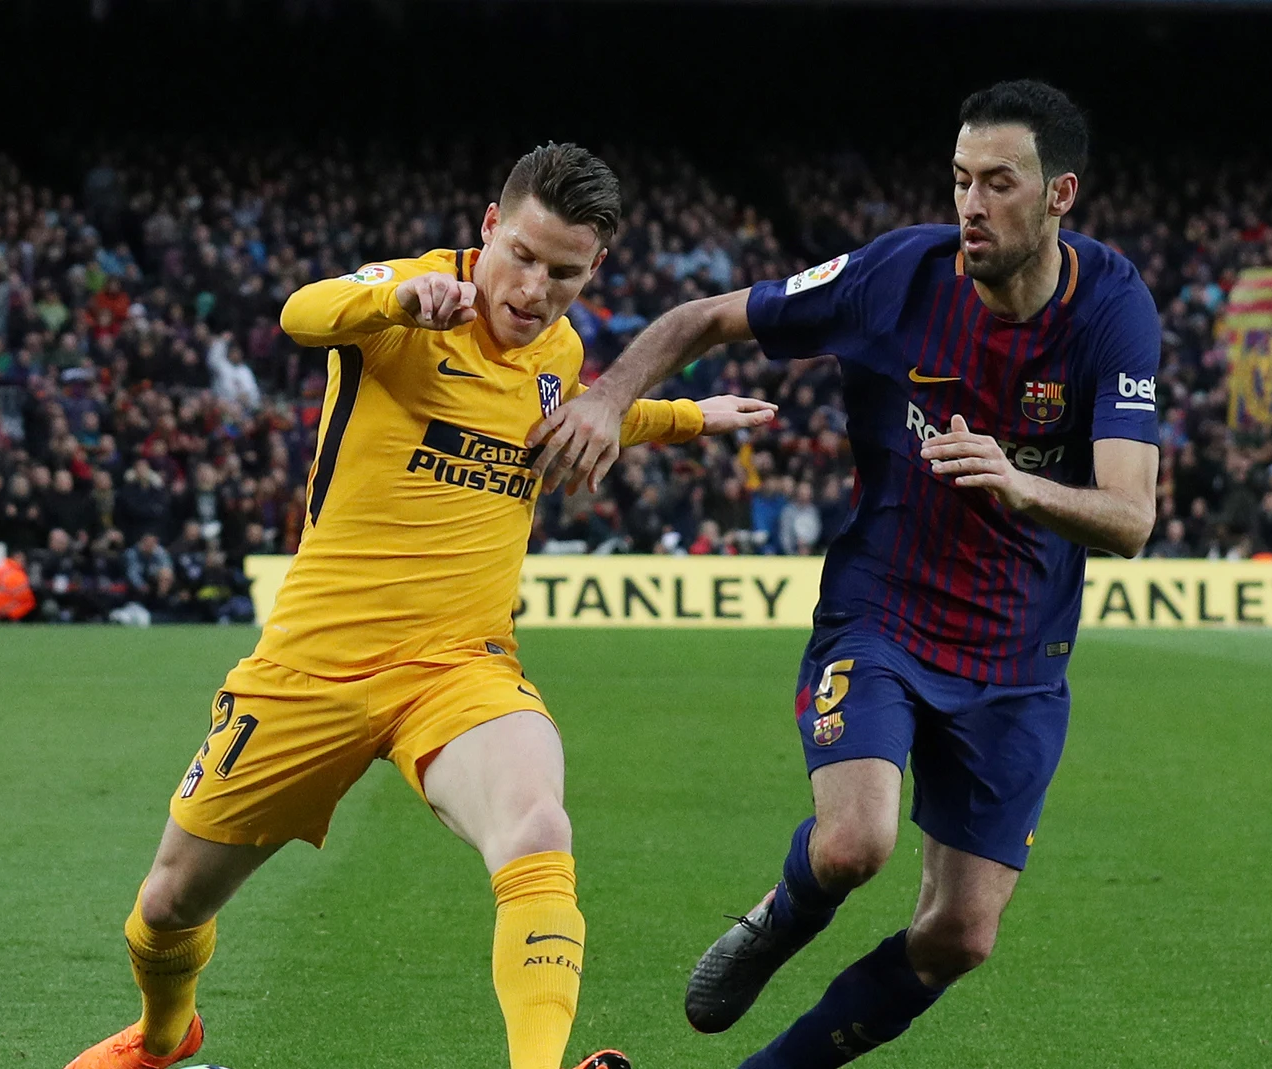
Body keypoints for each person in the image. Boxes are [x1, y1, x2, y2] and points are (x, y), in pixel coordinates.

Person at [61, 142, 776, 1069]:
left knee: (538, 826)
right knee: (167, 907)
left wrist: (685, 416)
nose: (533, 289)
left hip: (457, 667)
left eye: (564, 272)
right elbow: (300, 312)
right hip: (307, 669)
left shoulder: (559, 350)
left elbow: (555, 415)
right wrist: (394, 299)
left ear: (595, 268)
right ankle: (164, 1040)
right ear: (489, 227)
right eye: (520, 255)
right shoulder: (411, 300)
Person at [530, 82, 1159, 1069]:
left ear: (1059, 195)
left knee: (960, 936)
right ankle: (785, 913)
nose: (971, 204)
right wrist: (607, 399)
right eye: (960, 179)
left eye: (998, 182)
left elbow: (1130, 516)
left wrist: (1017, 482)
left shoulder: (1112, 310)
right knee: (854, 841)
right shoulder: (895, 276)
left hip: (1017, 664)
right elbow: (703, 318)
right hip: (885, 619)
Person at [0, 550, 37, 622]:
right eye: (22, 559)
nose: (23, 562)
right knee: (30, 602)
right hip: (7, 607)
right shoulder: (17, 573)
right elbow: (25, 595)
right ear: (16, 558)